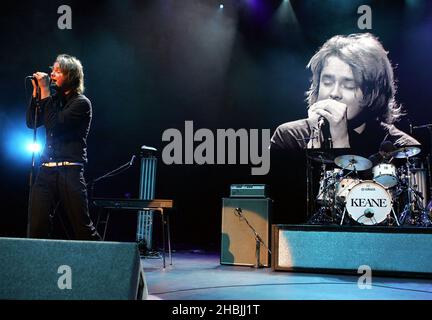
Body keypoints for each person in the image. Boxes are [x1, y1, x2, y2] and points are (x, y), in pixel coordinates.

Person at [270, 33, 420, 157]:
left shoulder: (402, 149)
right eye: (327, 82)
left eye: (349, 85)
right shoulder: (290, 137)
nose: (334, 93)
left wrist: (340, 140)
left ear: (373, 92)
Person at [26, 54, 101, 240]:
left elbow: (55, 125)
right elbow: (31, 122)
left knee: (83, 228)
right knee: (36, 226)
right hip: (46, 171)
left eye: (58, 71)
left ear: (71, 76)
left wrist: (44, 91)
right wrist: (36, 93)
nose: (52, 74)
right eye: (53, 70)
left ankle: (108, 266)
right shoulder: (53, 101)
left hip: (70, 170)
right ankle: (38, 267)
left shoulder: (81, 103)